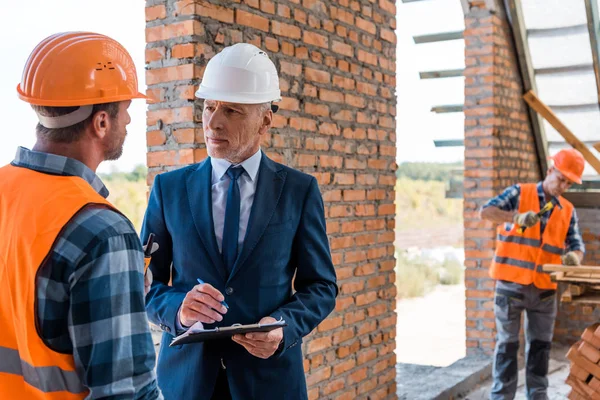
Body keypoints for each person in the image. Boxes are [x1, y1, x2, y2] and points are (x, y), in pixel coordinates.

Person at [142, 43, 338, 400]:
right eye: (210, 106)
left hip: (270, 382)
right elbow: (145, 284)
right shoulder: (168, 189)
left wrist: (283, 328)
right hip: (186, 382)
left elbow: (321, 286)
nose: (214, 122)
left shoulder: (299, 191)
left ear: (266, 119)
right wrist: (178, 311)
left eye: (232, 110)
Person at [0, 32, 161, 399]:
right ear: (101, 122)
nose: (130, 121)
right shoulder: (102, 231)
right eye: (125, 110)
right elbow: (126, 392)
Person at [480, 148, 586, 399]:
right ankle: (502, 397)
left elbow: (577, 245)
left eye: (569, 182)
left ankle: (538, 396)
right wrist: (515, 217)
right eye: (561, 178)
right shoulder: (520, 192)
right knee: (507, 346)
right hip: (510, 287)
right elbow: (486, 212)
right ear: (550, 170)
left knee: (540, 348)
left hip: (545, 291)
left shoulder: (567, 210)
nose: (564, 185)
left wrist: (574, 257)